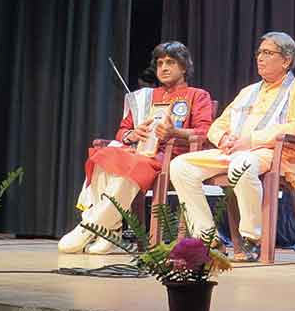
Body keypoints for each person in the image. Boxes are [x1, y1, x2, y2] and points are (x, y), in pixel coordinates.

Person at [169, 32, 295, 262]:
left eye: (268, 53)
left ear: (286, 60)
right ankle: (207, 237)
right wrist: (223, 138)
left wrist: (253, 140)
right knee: (179, 166)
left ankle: (251, 238)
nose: (260, 58)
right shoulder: (248, 92)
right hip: (232, 151)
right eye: (259, 53)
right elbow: (218, 125)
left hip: (273, 153)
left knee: (242, 164)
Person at [58, 41, 213, 254]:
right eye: (159, 64)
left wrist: (173, 133)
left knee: (131, 164)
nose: (164, 68)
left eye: (170, 62)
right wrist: (134, 134)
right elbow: (122, 132)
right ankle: (110, 232)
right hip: (138, 153)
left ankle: (90, 226)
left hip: (172, 157)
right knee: (103, 156)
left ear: (184, 67)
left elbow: (204, 133)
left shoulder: (197, 95)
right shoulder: (145, 97)